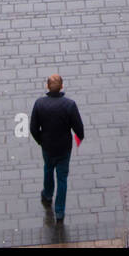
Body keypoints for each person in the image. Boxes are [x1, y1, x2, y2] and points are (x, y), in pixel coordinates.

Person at [29, 73, 85, 225]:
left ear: (47, 87)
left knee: (48, 169)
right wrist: (79, 138)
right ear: (62, 87)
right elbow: (79, 129)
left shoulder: (39, 104)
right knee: (62, 178)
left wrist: (41, 140)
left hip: (47, 146)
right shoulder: (69, 105)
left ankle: (47, 195)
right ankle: (59, 211)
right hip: (64, 148)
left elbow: (33, 128)